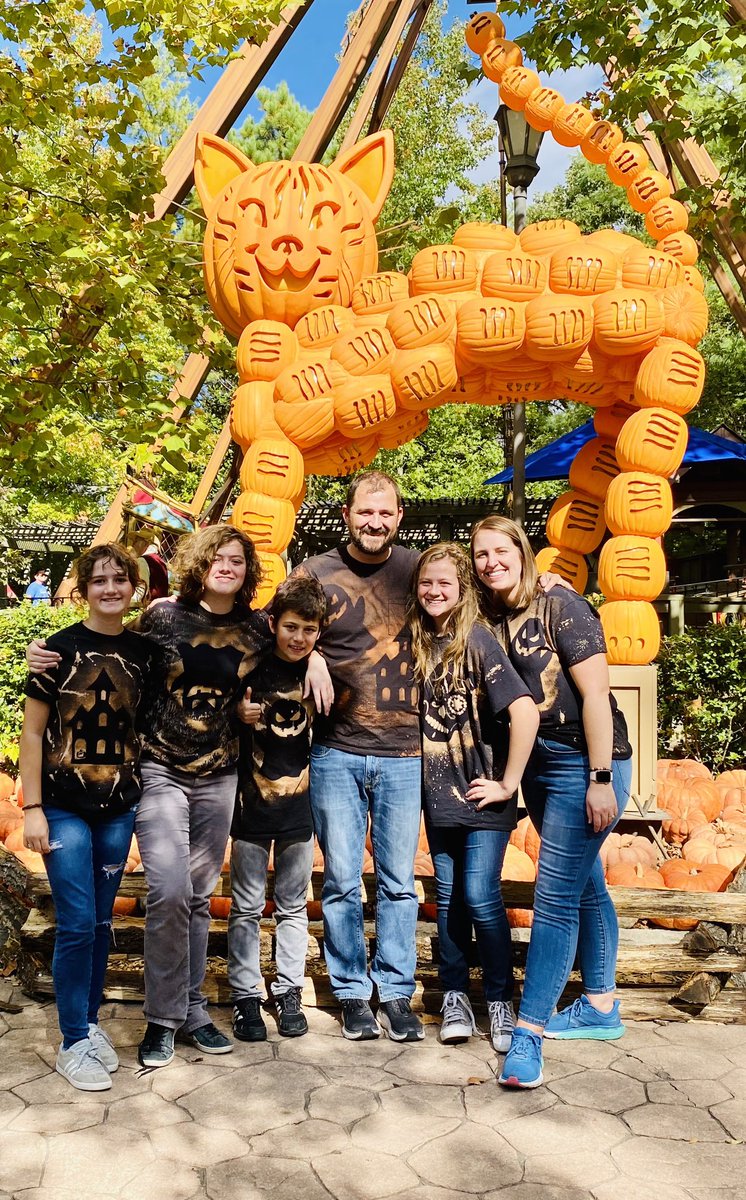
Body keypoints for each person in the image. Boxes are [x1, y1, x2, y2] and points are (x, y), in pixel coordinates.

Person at [27, 525, 333, 1071]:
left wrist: (316, 660)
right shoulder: (163, 617)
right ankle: (161, 1016)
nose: (226, 566)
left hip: (219, 773)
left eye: (237, 560)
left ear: (247, 571)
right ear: (199, 562)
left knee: (196, 895)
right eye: (217, 556)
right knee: (168, 890)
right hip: (160, 768)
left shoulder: (257, 628)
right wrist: (41, 653)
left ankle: (190, 1011)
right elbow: (104, 640)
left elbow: (296, 642)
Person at [470, 516, 633, 1089]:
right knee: (585, 885)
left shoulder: (561, 607)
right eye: (481, 554)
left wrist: (600, 776)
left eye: (501, 550)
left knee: (555, 898)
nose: (492, 561)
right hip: (535, 767)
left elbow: (595, 695)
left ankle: (528, 1037)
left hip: (584, 762)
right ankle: (601, 1005)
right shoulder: (486, 614)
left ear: (521, 550)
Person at [297, 470, 425, 1042]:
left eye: (386, 513)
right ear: (347, 514)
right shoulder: (315, 574)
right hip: (335, 751)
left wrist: (548, 582)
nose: (375, 522)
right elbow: (273, 628)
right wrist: (311, 659)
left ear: (399, 517)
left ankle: (396, 992)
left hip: (404, 751)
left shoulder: (418, 570)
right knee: (343, 879)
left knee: (400, 882)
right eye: (365, 512)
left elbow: (478, 599)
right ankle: (350, 991)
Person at [20, 544, 151, 1091]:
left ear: (133, 587)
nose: (110, 589)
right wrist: (30, 808)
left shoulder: (146, 652)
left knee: (101, 923)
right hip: (62, 807)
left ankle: (90, 1023)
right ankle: (73, 1039)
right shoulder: (56, 650)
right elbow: (31, 732)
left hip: (118, 809)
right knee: (76, 923)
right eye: (99, 581)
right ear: (83, 589)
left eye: (120, 579)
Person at [408, 543, 539, 1052]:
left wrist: (508, 783)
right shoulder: (419, 643)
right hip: (438, 799)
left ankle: (501, 1001)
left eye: (444, 583)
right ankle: (456, 996)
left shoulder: (478, 642)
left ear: (462, 589)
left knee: (481, 896)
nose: (434, 591)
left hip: (484, 797)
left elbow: (524, 711)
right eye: (426, 583)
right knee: (447, 901)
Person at [228, 575, 327, 1042]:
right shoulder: (251, 668)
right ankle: (246, 994)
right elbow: (216, 707)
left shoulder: (317, 672)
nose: (299, 638)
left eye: (309, 630)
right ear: (274, 623)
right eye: (291, 627)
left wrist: (321, 661)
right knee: (246, 906)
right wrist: (237, 715)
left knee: (292, 907)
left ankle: (288, 988)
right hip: (250, 807)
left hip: (299, 812)